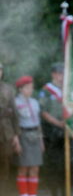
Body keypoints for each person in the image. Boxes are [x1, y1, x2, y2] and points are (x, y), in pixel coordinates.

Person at [15, 76, 44, 196]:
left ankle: (32, 194)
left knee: (35, 168)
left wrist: (41, 140)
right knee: (23, 167)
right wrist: (16, 141)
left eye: (31, 88)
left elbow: (38, 123)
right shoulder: (15, 102)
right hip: (23, 135)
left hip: (35, 136)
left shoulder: (35, 102)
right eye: (27, 88)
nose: (30, 90)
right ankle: (24, 194)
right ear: (21, 89)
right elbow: (14, 123)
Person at [39, 63, 65, 196]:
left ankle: (64, 189)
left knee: (65, 163)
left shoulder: (67, 89)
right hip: (51, 131)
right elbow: (43, 112)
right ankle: (54, 191)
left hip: (65, 132)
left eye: (63, 73)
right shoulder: (46, 90)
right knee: (53, 164)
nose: (62, 76)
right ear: (53, 74)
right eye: (59, 73)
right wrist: (58, 123)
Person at [0, 62, 21, 196]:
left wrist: (16, 136)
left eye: (0, 70)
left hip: (6, 132)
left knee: (5, 163)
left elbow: (14, 113)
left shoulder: (8, 89)